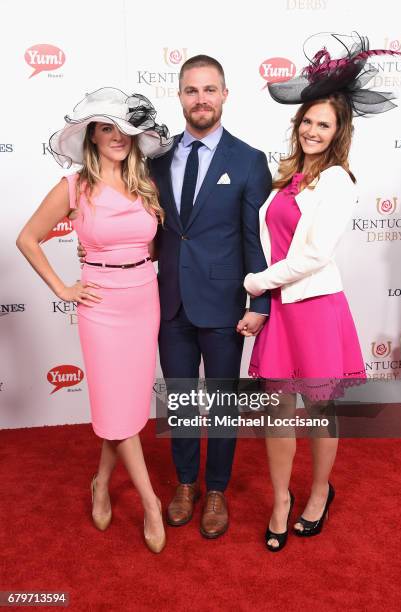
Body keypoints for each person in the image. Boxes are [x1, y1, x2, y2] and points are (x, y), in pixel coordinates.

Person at [83, 56, 272, 538]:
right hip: (165, 303)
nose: (201, 99)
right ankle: (185, 483)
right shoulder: (155, 160)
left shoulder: (248, 160)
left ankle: (216, 491)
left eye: (210, 90)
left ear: (225, 94)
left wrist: (260, 303)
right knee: (183, 400)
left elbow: (254, 239)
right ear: (181, 96)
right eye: (192, 90)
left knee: (224, 401)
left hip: (226, 302)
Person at [244, 32, 401, 552]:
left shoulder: (336, 181)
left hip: (314, 310)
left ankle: (317, 493)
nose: (313, 130)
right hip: (284, 312)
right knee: (277, 414)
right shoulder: (289, 177)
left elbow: (311, 256)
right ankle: (280, 501)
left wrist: (255, 284)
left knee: (317, 413)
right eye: (307, 121)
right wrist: (264, 303)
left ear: (339, 132)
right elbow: (275, 243)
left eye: (324, 124)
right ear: (299, 125)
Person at [16, 87, 172, 553]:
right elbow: (28, 238)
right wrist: (63, 288)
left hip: (145, 298)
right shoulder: (73, 187)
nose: (117, 136)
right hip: (100, 307)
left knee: (122, 411)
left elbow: (155, 244)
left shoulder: (146, 183)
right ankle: (150, 503)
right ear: (92, 136)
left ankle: (101, 482)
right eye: (107, 128)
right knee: (120, 412)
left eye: (124, 128)